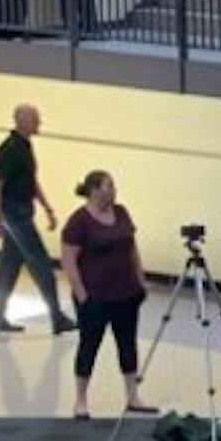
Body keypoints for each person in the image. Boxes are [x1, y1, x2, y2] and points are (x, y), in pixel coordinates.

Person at [59, 168, 151, 419]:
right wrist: (82, 296)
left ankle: (133, 396)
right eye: (109, 186)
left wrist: (141, 280)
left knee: (127, 344)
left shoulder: (121, 213)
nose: (113, 190)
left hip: (126, 293)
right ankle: (81, 400)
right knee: (89, 345)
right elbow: (68, 260)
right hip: (96, 295)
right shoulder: (78, 221)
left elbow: (132, 249)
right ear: (94, 190)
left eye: (113, 186)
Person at [0, 101, 75, 336]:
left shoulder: (24, 146)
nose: (39, 123)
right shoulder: (10, 149)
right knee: (41, 264)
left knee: (9, 267)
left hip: (20, 212)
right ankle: (57, 316)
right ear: (22, 121)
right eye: (35, 119)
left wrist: (46, 207)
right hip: (16, 216)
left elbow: (31, 181)